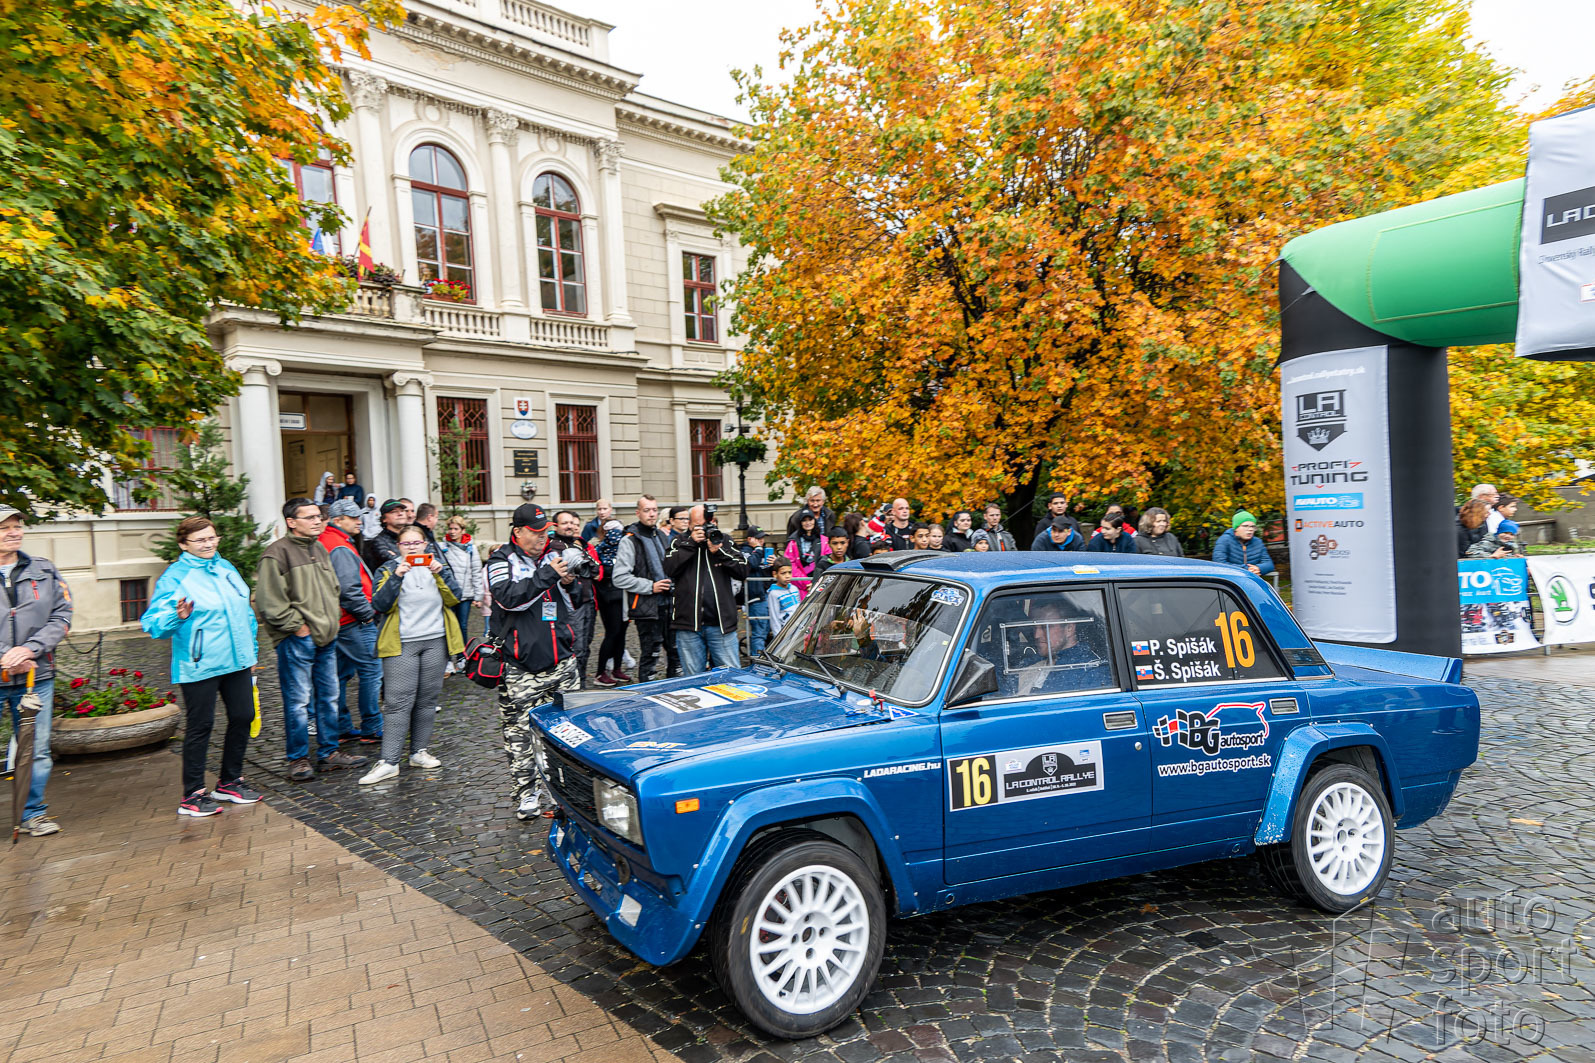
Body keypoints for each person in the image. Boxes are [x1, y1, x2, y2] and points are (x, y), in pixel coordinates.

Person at [142, 515, 261, 817]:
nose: (208, 544)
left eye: (212, 537)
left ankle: (230, 782)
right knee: (201, 726)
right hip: (199, 664)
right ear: (184, 545)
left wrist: (252, 651)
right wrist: (178, 616)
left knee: (244, 716)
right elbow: (153, 624)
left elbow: (245, 611)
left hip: (238, 660)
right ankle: (193, 794)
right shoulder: (174, 577)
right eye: (200, 540)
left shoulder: (226, 568)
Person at [256, 498, 370, 782]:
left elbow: (333, 588)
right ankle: (298, 759)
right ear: (291, 522)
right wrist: (298, 627)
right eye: (309, 517)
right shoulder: (276, 553)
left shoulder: (318, 548)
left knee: (329, 697)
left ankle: (329, 753)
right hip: (297, 640)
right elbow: (269, 602)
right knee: (298, 702)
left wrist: (330, 621)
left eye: (318, 516)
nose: (317, 521)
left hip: (327, 637)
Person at [485, 503, 577, 819]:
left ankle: (565, 792)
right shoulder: (500, 560)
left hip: (562, 661)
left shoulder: (555, 553)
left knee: (568, 732)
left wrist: (571, 582)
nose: (542, 538)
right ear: (517, 532)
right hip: (522, 666)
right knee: (520, 734)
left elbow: (578, 601)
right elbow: (508, 598)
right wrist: (549, 574)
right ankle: (527, 795)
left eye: (545, 532)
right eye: (536, 533)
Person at [361, 525, 464, 784]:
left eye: (417, 543)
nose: (413, 548)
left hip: (436, 640)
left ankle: (419, 752)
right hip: (401, 642)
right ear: (398, 547)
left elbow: (456, 598)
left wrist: (441, 574)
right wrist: (397, 576)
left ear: (426, 544)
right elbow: (380, 604)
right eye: (406, 544)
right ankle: (389, 761)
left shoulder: (439, 566)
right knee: (397, 701)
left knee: (427, 700)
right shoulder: (387, 569)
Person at [0, 505, 71, 836]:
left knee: (36, 751)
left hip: (35, 677)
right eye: (5, 527)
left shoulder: (44, 569)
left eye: (17, 525)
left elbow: (63, 615)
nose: (14, 532)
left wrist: (30, 649)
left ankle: (33, 814)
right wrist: (5, 657)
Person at [321, 498, 382, 745]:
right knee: (372, 670)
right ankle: (372, 726)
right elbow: (348, 589)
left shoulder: (329, 540)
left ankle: (342, 726)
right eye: (354, 518)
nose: (359, 521)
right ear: (338, 520)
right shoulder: (339, 545)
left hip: (339, 619)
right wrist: (368, 614)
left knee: (341, 674)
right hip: (352, 620)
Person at [665, 505, 749, 675]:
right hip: (689, 625)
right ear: (689, 524)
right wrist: (691, 544)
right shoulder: (680, 541)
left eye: (707, 524)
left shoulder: (724, 540)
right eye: (698, 525)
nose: (704, 529)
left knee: (730, 677)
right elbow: (669, 568)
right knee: (692, 679)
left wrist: (719, 552)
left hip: (721, 625)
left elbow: (743, 571)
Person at [612, 496, 674, 683]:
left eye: (654, 510)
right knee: (650, 655)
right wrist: (650, 587)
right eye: (647, 510)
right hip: (646, 607)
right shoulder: (629, 540)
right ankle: (646, 692)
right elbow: (619, 577)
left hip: (669, 604)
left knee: (675, 652)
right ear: (638, 513)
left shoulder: (661, 536)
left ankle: (675, 690)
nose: (652, 514)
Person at [543, 510, 602, 687]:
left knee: (584, 645)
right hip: (568, 605)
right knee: (574, 647)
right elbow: (582, 568)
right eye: (565, 523)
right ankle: (571, 686)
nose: (570, 526)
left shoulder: (577, 545)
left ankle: (580, 683)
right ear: (555, 526)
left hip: (586, 600)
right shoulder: (552, 547)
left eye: (572, 523)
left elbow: (594, 569)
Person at [440, 516, 485, 663]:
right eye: (450, 528)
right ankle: (447, 659)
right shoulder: (443, 547)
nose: (452, 532)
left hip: (465, 594)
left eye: (456, 529)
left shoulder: (471, 549)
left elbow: (476, 572)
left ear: (463, 530)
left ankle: (462, 657)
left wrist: (478, 597)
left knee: (463, 626)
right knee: (447, 626)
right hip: (448, 594)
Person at [591, 518, 630, 686]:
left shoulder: (623, 547)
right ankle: (600, 673)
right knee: (612, 633)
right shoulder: (600, 549)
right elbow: (598, 572)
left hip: (623, 595)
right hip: (609, 597)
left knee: (621, 633)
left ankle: (617, 669)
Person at [740, 526, 776, 661]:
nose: (762, 541)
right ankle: (757, 662)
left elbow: (769, 573)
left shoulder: (764, 551)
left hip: (768, 595)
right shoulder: (744, 552)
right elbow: (752, 564)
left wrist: (774, 564)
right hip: (755, 598)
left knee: (766, 631)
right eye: (758, 538)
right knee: (759, 633)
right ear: (750, 539)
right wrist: (758, 550)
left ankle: (762, 659)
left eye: (762, 538)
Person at [1212, 511, 1275, 576]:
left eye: (1253, 526)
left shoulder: (1258, 542)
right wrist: (1246, 569)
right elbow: (1219, 563)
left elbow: (1269, 564)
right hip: (1229, 580)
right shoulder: (1224, 540)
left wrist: (1259, 568)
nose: (1250, 529)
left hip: (1252, 580)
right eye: (1245, 526)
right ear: (1236, 528)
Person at [362, 499, 414, 570]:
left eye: (402, 511)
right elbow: (394, 562)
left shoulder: (413, 535)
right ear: (384, 519)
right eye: (394, 512)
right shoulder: (378, 542)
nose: (400, 514)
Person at [786, 510, 824, 596]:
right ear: (800, 523)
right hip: (801, 587)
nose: (808, 523)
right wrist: (806, 583)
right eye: (804, 520)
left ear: (814, 521)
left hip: (819, 584)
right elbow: (790, 564)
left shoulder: (823, 540)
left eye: (810, 519)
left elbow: (826, 561)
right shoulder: (793, 542)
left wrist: (816, 582)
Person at [766, 561, 802, 638]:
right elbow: (774, 619)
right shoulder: (774, 594)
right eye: (783, 573)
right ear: (775, 574)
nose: (787, 576)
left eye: (789, 572)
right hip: (786, 634)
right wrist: (778, 639)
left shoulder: (794, 589)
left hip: (799, 630)